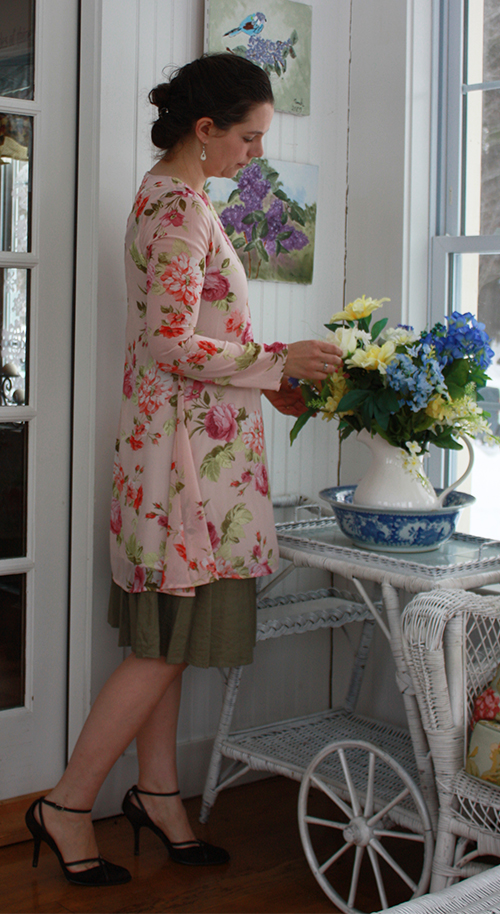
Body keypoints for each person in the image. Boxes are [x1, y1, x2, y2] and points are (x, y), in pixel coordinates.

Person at [25, 53, 342, 886]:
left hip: (187, 444)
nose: (254, 154)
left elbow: (183, 337)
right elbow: (170, 340)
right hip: (180, 459)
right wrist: (279, 357)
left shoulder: (180, 198)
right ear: (205, 132)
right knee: (161, 647)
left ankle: (158, 794)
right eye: (248, 136)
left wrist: (266, 380)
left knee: (166, 634)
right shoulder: (178, 209)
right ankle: (67, 802)